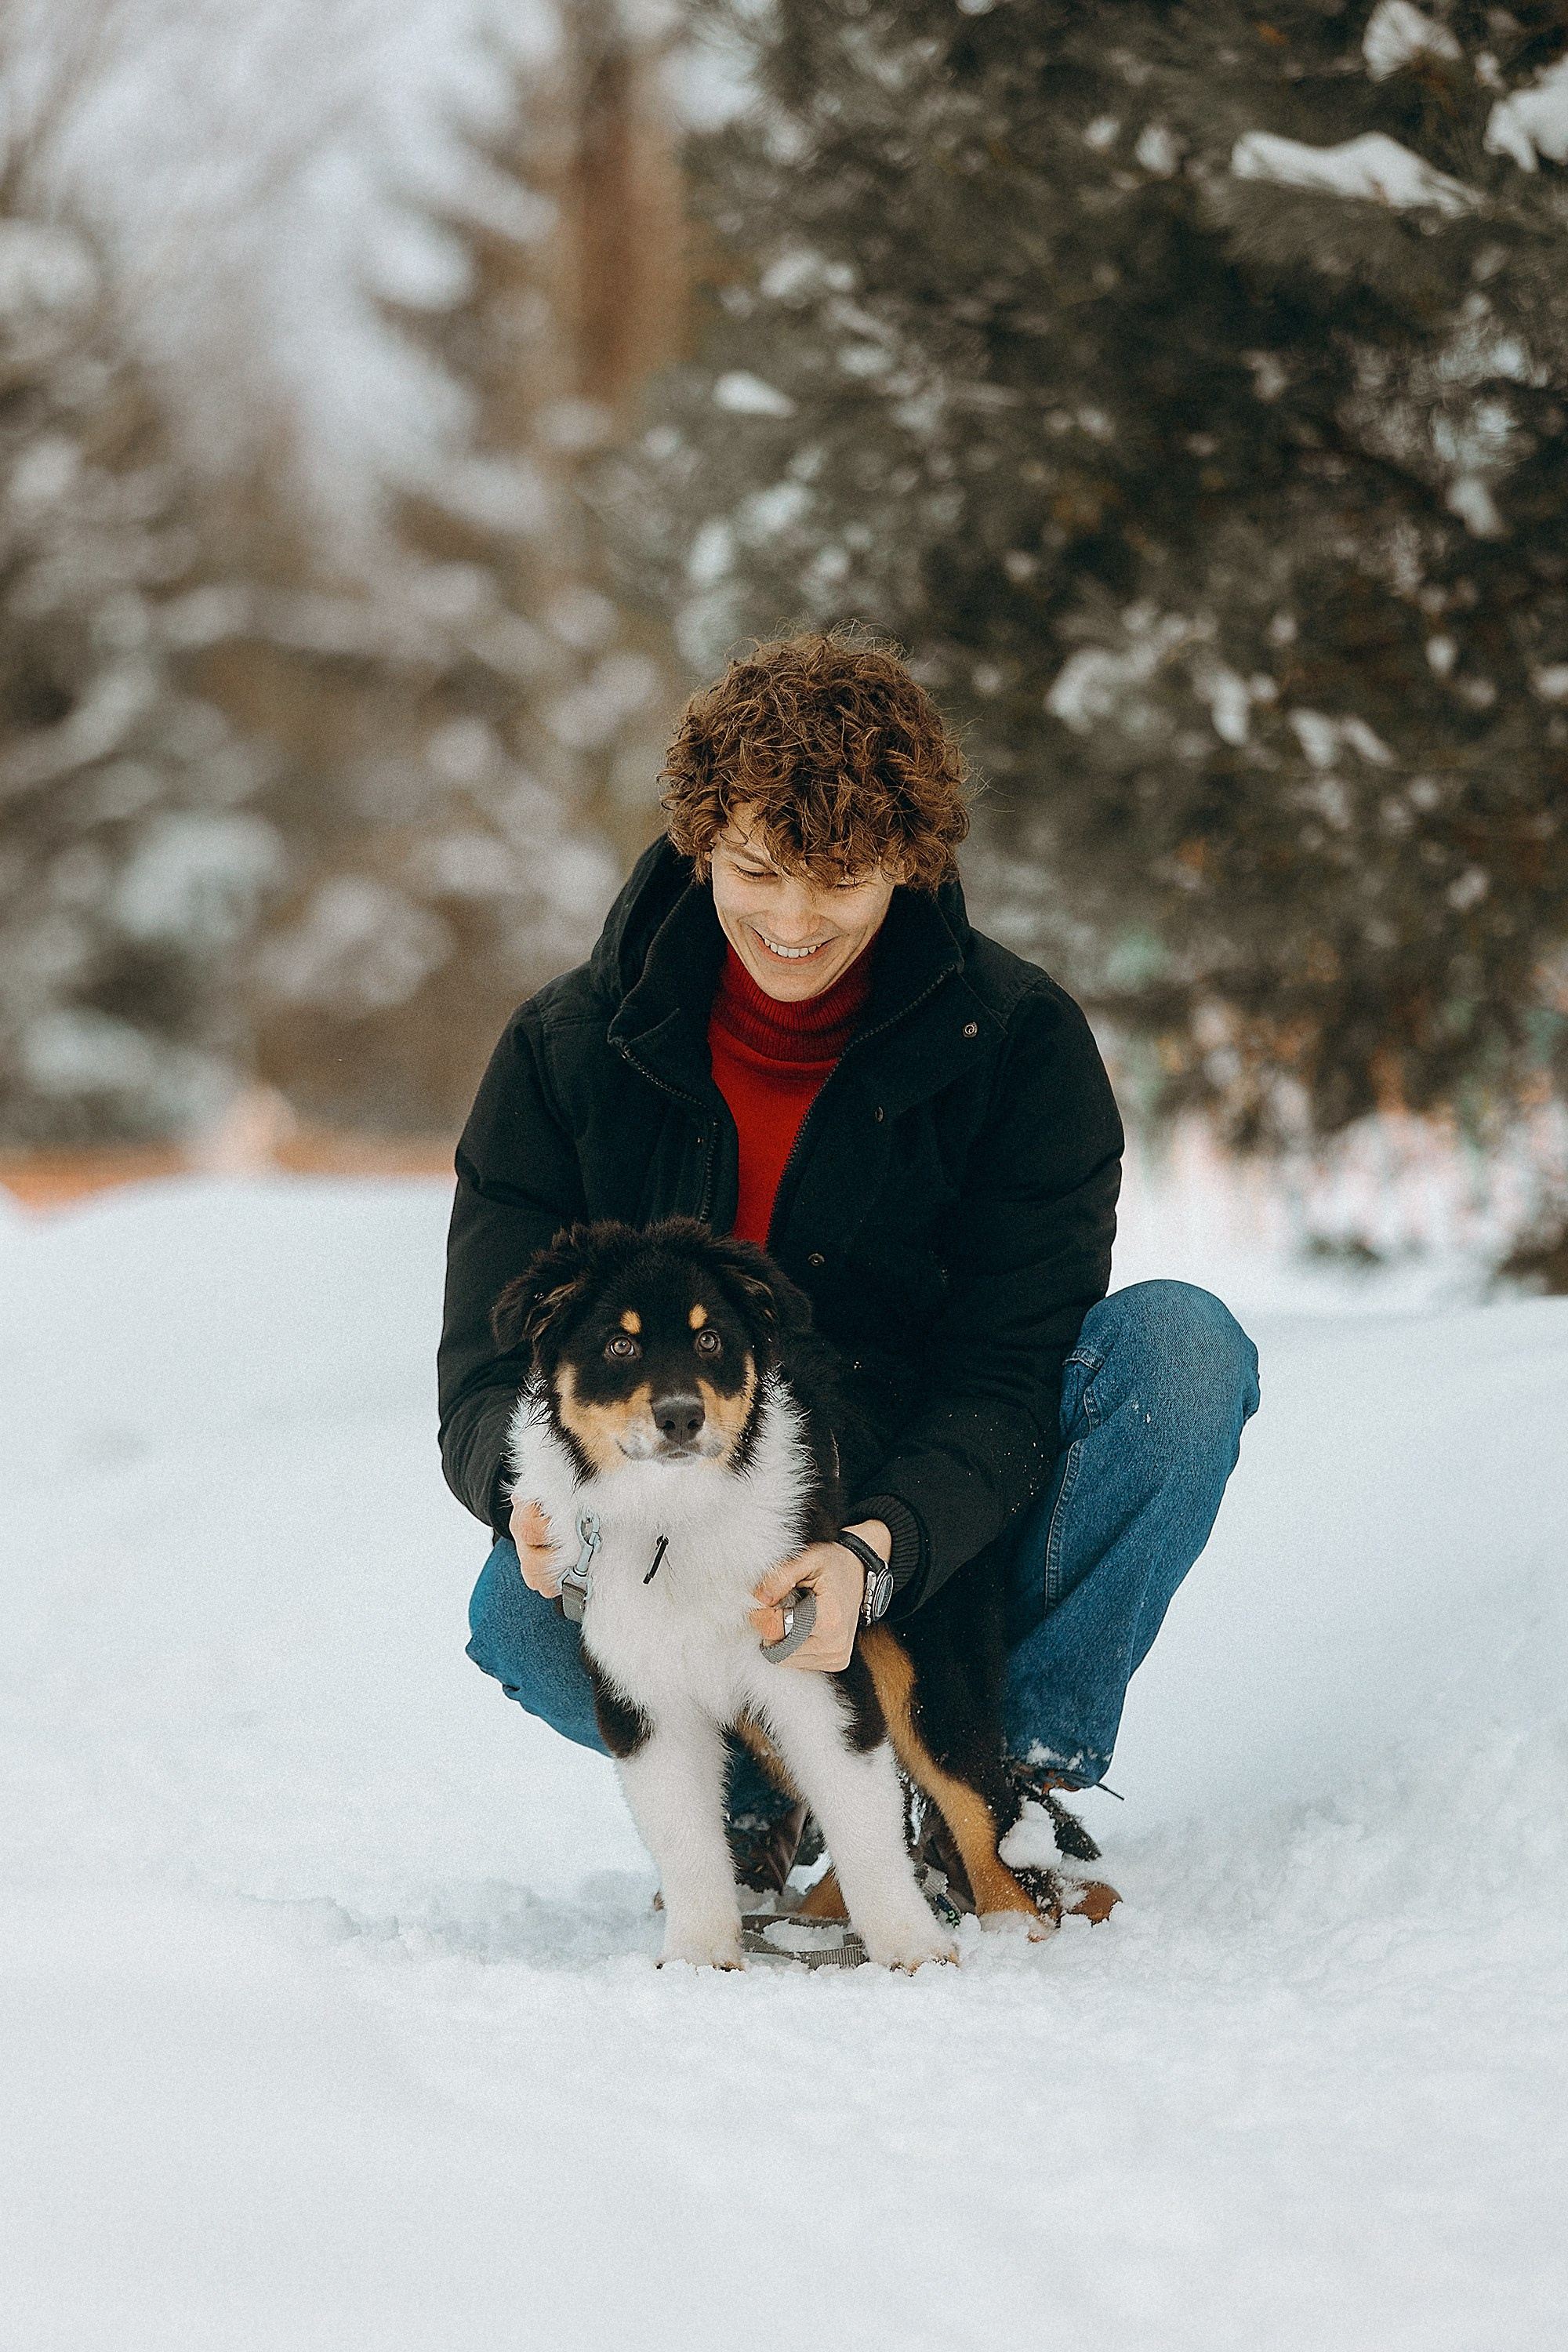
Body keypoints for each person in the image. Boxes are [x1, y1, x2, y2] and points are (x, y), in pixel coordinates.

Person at [441, 630, 1259, 1912]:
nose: (792, 920)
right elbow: (489, 1372)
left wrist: (879, 1552)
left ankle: (994, 1791)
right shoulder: (565, 1052)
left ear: (912, 861)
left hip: (940, 1493)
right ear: (698, 841)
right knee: (513, 1605)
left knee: (1183, 1354)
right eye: (757, 870)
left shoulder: (1020, 1044)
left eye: (842, 879)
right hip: (695, 1522)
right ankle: (767, 1802)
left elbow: (1007, 1372)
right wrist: (524, 1494)